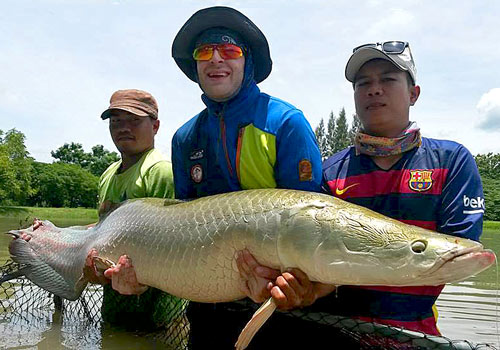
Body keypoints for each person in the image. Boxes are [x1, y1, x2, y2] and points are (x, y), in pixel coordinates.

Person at [170, 6, 344, 349]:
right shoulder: (183, 137)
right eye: (204, 52)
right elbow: (182, 223)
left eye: (229, 50)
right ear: (195, 66)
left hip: (280, 313)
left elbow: (308, 231)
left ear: (247, 62)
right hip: (208, 307)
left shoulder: (286, 123)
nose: (216, 59)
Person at [320, 41, 484, 335]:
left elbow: (455, 257)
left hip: (416, 332)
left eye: (387, 79)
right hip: (337, 329)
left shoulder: (452, 161)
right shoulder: (330, 171)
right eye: (363, 83)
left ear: (413, 93)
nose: (374, 89)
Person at [93, 89, 185, 335]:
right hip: (114, 303)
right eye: (116, 121)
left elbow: (176, 245)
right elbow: (100, 234)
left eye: (134, 120)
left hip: (159, 309)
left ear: (155, 126)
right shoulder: (107, 175)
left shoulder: (161, 171)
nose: (124, 128)